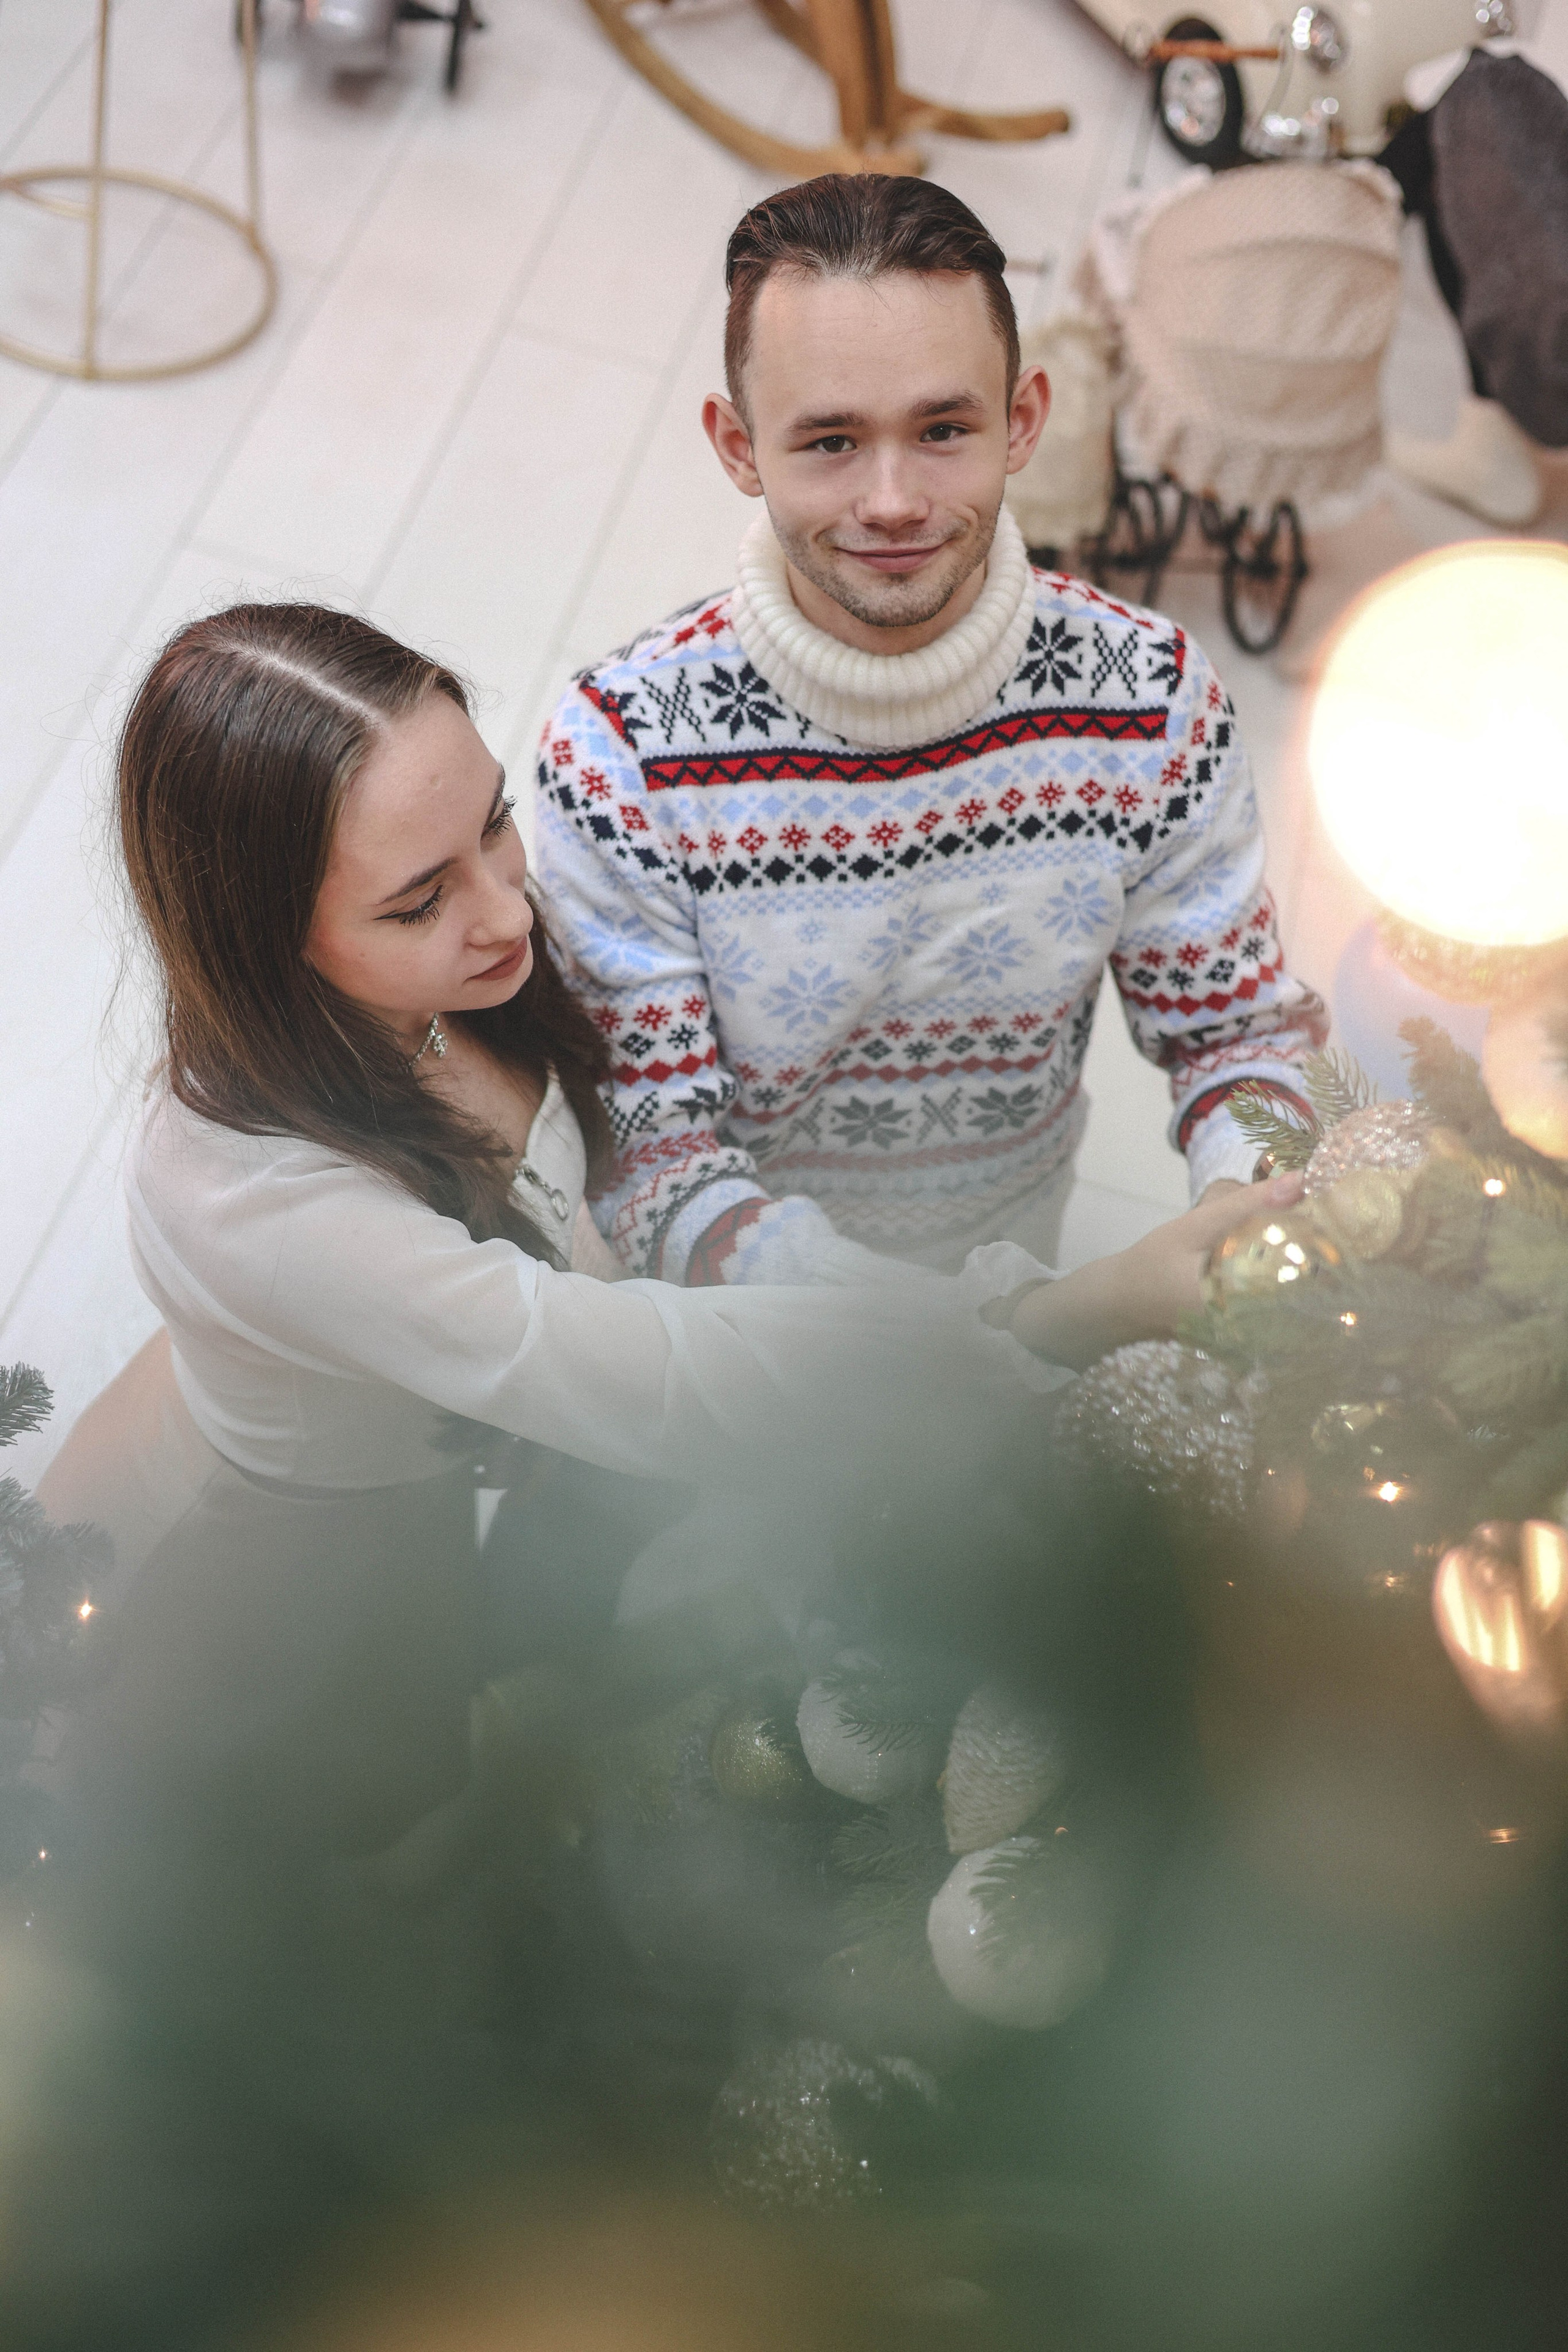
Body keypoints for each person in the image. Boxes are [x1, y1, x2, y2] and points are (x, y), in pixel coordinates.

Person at [39, 604, 1300, 1855]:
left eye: (492, 824)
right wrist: (1049, 1313)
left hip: (433, 1458)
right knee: (355, 1808)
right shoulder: (260, 1203)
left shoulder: (444, 985)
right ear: (266, 944)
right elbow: (642, 1366)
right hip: (300, 1549)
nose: (504, 916)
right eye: (417, 900)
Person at [535, 173, 1326, 1289]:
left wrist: (1250, 1218)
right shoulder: (620, 756)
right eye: (831, 443)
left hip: (1019, 1241)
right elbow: (658, 1167)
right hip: (749, 1351)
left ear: (1023, 421)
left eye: (944, 428)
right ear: (737, 446)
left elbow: (1235, 1035)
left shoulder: (1152, 700)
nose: (896, 500)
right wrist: (987, 1339)